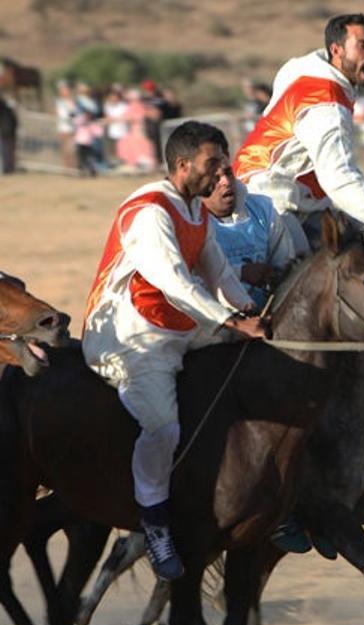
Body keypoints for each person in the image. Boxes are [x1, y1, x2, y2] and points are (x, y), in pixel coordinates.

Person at [82, 121, 266, 580]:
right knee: (162, 427)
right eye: (213, 164)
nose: (223, 172)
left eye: (224, 161)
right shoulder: (149, 212)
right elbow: (174, 283)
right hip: (130, 336)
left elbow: (218, 272)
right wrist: (231, 321)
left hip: (181, 328)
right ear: (183, 166)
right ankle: (155, 522)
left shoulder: (194, 210)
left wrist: (250, 311)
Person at [234, 13, 364, 256]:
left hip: (290, 195)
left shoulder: (304, 68)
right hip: (267, 200)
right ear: (337, 50)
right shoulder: (326, 106)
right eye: (362, 46)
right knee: (302, 271)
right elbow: (339, 179)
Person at [204, 158, 299, 308]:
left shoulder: (262, 209)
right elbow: (192, 282)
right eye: (216, 178)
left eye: (228, 173)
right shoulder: (188, 224)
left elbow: (286, 263)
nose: (226, 182)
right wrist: (242, 273)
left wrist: (274, 276)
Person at [0, 95, 16, 174]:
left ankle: (9, 167)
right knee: (6, 149)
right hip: (6, 130)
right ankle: (7, 168)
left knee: (9, 149)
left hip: (9, 131)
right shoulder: (5, 109)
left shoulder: (9, 111)